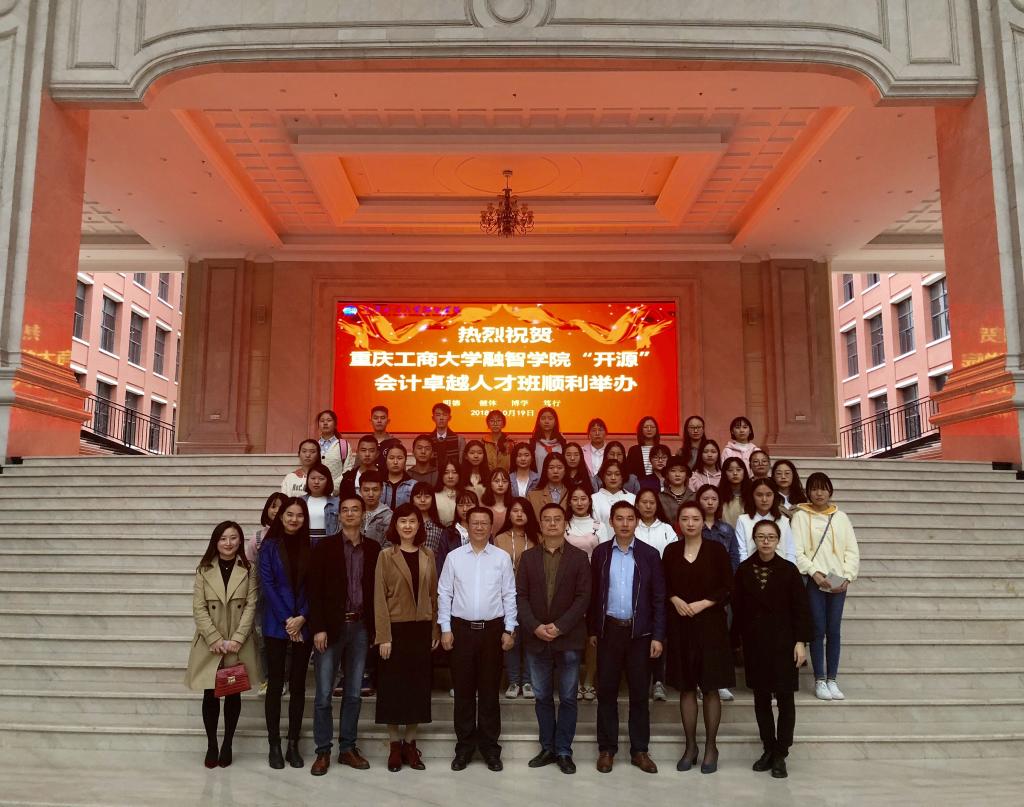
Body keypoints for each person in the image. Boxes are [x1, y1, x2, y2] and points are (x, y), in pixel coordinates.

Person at [438, 507, 518, 772]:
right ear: (467, 526)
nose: (480, 527)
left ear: (491, 527)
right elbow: (444, 593)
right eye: (475, 523)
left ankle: (490, 748)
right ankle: (464, 748)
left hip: (492, 631)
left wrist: (509, 629)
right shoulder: (454, 557)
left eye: (485, 523)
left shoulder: (502, 558)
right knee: (463, 692)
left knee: (489, 693)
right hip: (461, 631)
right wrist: (445, 628)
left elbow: (509, 594)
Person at [589, 501, 665, 775]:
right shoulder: (600, 553)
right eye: (619, 518)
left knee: (639, 694)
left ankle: (639, 750)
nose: (624, 523)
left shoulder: (649, 554)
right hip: (609, 631)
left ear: (637, 522)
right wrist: (593, 629)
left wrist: (658, 635)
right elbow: (594, 593)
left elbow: (658, 597)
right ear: (611, 522)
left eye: (629, 518)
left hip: (640, 634)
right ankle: (607, 750)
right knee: (607, 692)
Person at [308, 495, 381, 775]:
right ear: (338, 516)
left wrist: (376, 629)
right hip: (330, 628)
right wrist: (318, 627)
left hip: (360, 627)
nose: (350, 514)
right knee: (324, 694)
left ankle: (348, 748)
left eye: (355, 510)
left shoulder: (373, 548)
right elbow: (314, 590)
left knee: (353, 693)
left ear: (363, 515)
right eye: (345, 510)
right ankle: (323, 751)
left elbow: (377, 591)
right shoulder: (324, 547)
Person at [734, 520, 812, 779]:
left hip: (784, 644)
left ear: (779, 541)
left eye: (771, 537)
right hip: (756, 644)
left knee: (786, 700)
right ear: (754, 540)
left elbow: (801, 609)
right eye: (761, 537)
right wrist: (736, 642)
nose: (766, 541)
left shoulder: (789, 570)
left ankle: (781, 752)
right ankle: (768, 748)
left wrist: (801, 642)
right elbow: (738, 609)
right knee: (761, 699)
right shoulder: (744, 570)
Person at [517, 504, 591, 775]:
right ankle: (547, 747)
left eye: (556, 519)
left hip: (568, 638)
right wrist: (535, 626)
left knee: (569, 698)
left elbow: (584, 598)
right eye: (546, 519)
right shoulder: (528, 558)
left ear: (564, 524)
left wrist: (560, 626)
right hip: (536, 639)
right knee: (542, 697)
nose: (551, 524)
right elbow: (520, 596)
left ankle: (563, 751)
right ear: (540, 525)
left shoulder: (579, 558)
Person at [663, 502, 735, 775]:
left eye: (695, 518)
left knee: (711, 688)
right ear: (678, 522)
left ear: (703, 522)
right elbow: (663, 584)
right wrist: (674, 599)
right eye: (685, 518)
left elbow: (728, 586)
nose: (690, 523)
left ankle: (711, 747)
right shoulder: (671, 551)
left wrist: (704, 603)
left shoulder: (716, 550)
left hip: (711, 625)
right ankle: (690, 745)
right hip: (681, 626)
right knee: (686, 688)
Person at [185, 521, 258, 769]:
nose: (228, 543)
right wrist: (213, 638)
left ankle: (227, 743)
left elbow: (251, 605)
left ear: (240, 541)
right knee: (210, 694)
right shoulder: (204, 569)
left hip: (238, 642)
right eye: (223, 538)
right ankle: (212, 745)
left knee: (233, 692)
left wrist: (238, 638)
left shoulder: (248, 569)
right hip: (211, 643)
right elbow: (198, 607)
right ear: (216, 542)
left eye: (233, 538)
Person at [374, 503, 441, 772]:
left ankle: (410, 744)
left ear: (419, 525)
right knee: (392, 689)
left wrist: (435, 629)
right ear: (396, 525)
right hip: (395, 630)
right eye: (403, 521)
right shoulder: (385, 556)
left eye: (412, 521)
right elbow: (379, 598)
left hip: (420, 630)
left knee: (417, 689)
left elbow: (434, 595)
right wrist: (383, 636)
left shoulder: (428, 554)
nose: (408, 526)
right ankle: (394, 745)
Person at [792, 472, 860, 702]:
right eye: (814, 488)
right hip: (815, 581)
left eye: (823, 488)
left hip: (838, 582)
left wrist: (848, 576)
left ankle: (832, 679)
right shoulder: (800, 517)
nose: (819, 493)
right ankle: (820, 679)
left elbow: (851, 549)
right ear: (807, 492)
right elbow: (797, 550)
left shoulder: (841, 517)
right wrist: (814, 573)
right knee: (818, 629)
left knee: (834, 630)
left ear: (830, 491)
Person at [259, 497, 313, 770]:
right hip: (276, 623)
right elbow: (267, 585)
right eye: (289, 514)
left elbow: (314, 586)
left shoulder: (311, 546)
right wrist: (288, 620)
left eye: (299, 515)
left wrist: (302, 617)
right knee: (276, 684)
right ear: (280, 517)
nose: (294, 519)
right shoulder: (268, 547)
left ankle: (293, 743)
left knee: (299, 685)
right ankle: (274, 744)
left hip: (303, 623)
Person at [494, 497, 540, 698]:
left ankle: (528, 681)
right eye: (515, 510)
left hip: (532, 596)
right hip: (507, 596)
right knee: (511, 636)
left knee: (531, 638)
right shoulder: (499, 538)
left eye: (523, 511)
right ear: (509, 514)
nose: (519, 514)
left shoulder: (538, 538)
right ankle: (513, 681)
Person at [563, 484, 605, 701]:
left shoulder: (600, 526)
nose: (579, 503)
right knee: (571, 632)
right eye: (575, 499)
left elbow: (605, 555)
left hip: (595, 583)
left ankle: (589, 680)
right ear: (569, 502)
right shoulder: (563, 525)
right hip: (567, 585)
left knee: (591, 634)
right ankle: (574, 682)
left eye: (583, 498)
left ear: (590, 501)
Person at [634, 488, 676, 703]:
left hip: (661, 588)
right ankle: (641, 680)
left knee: (659, 634)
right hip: (636, 590)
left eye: (652, 502)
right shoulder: (632, 526)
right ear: (637, 505)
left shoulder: (667, 529)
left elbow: (674, 557)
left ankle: (659, 680)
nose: (648, 506)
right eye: (644, 502)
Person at [246, 491, 288, 694]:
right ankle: (267, 679)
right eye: (273, 506)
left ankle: (284, 679)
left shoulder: (292, 535)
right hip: (263, 596)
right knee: (263, 639)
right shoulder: (257, 538)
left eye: (281, 506)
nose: (277, 510)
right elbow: (249, 569)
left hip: (287, 595)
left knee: (288, 640)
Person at [735, 478, 795, 565]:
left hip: (781, 569)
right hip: (751, 568)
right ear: (752, 496)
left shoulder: (783, 521)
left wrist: (789, 570)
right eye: (759, 495)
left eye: (768, 495)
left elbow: (790, 552)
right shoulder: (743, 520)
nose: (764, 499)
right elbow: (742, 552)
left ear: (774, 496)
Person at [434, 489, 479, 575]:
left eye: (469, 505)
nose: (464, 509)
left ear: (476, 506)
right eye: (460, 505)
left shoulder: (484, 531)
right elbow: (441, 563)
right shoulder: (448, 533)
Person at [591, 459, 636, 528]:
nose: (613, 478)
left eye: (617, 474)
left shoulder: (632, 498)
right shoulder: (593, 499)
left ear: (622, 477)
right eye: (609, 474)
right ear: (603, 476)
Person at [303, 462, 339, 545]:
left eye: (321, 479)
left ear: (328, 481)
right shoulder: (300, 501)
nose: (316, 482)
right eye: (313, 478)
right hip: (304, 542)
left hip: (328, 542)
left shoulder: (336, 502)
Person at [316, 409, 351, 492]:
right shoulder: (314, 445)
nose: (325, 423)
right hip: (316, 491)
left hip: (337, 493)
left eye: (329, 420)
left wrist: (333, 487)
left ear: (335, 424)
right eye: (322, 421)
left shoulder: (343, 445)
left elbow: (348, 469)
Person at [527, 452, 570, 519]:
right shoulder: (533, 496)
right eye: (551, 468)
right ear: (545, 470)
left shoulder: (572, 494)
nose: (555, 471)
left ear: (565, 470)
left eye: (559, 468)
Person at [410, 480, 445, 556]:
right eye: (418, 497)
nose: (422, 500)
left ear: (433, 499)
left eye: (427, 497)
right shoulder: (406, 523)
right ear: (412, 499)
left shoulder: (439, 527)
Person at [359, 472, 392, 547]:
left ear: (382, 490)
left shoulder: (388, 516)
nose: (371, 494)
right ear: (360, 491)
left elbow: (389, 545)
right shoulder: (354, 512)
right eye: (366, 490)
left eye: (375, 490)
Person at [529, 406, 567, 471]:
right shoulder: (532, 443)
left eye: (550, 418)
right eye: (543, 418)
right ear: (538, 422)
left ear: (555, 422)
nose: (546, 421)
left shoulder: (562, 442)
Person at [430, 402, 465, 470]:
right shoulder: (428, 440)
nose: (441, 418)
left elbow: (461, 464)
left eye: (445, 415)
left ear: (450, 418)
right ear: (433, 418)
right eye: (438, 415)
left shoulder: (459, 440)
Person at [624, 415, 661, 480]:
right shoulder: (633, 450)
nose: (649, 429)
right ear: (641, 429)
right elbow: (629, 472)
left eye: (652, 427)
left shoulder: (662, 449)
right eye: (646, 427)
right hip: (639, 484)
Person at [660, 456, 694, 524]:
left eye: (682, 471)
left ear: (686, 475)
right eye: (673, 471)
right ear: (667, 474)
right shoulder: (660, 497)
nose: (677, 474)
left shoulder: (694, 496)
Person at [381, 442, 415, 510]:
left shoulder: (413, 485)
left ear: (405, 460)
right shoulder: (378, 483)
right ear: (386, 460)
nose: (395, 462)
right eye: (391, 458)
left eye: (399, 458)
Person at [717, 457, 750, 527]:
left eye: (738, 470)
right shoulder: (718, 495)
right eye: (730, 470)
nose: (735, 473)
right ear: (724, 473)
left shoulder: (751, 493)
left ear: (744, 472)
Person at [482, 467, 513, 536]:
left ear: (509, 484)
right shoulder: (482, 506)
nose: (500, 484)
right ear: (490, 483)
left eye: (504, 481)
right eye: (496, 481)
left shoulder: (513, 506)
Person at [434, 460, 462, 527]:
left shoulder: (464, 495)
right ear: (441, 475)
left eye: (454, 472)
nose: (450, 476)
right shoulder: (434, 495)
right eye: (446, 473)